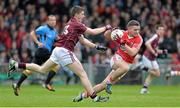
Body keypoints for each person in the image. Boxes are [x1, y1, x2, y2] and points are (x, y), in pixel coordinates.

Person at [8, 6, 111, 102]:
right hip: (64, 51)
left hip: (57, 50)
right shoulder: (77, 24)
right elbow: (92, 32)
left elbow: (83, 41)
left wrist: (96, 46)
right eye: (82, 14)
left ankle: (16, 65)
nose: (84, 16)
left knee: (42, 69)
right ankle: (94, 97)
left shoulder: (70, 24)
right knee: (82, 74)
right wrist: (106, 27)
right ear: (77, 14)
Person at [73, 20, 143, 102]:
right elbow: (106, 35)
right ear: (129, 29)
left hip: (124, 66)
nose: (137, 31)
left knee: (103, 85)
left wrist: (123, 44)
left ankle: (82, 96)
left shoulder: (139, 39)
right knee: (125, 68)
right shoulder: (122, 33)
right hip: (117, 59)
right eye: (135, 30)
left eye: (138, 29)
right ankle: (109, 82)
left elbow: (133, 53)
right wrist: (111, 31)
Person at [10, 15, 59, 96]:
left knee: (30, 70)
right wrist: (37, 42)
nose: (53, 22)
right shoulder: (43, 28)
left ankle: (17, 84)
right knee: (57, 65)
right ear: (48, 21)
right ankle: (46, 83)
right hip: (43, 51)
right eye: (51, 20)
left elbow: (56, 39)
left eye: (55, 20)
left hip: (44, 53)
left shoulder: (54, 31)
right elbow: (32, 33)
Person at [140, 24, 166, 94]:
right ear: (156, 30)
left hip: (152, 58)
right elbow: (147, 43)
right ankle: (143, 68)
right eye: (159, 29)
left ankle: (144, 89)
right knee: (156, 74)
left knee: (154, 74)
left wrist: (162, 51)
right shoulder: (155, 36)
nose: (161, 31)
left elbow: (155, 49)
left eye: (162, 29)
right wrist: (154, 52)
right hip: (148, 57)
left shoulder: (158, 38)